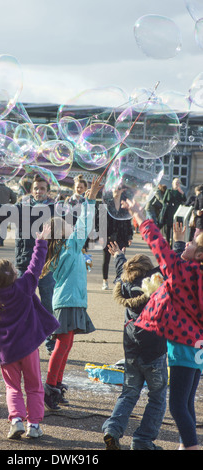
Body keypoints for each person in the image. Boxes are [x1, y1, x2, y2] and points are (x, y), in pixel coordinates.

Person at [123, 198, 203, 451]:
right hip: (199, 345)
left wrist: (141, 216)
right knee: (187, 400)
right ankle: (184, 445)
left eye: (192, 242)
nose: (187, 242)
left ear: (199, 255)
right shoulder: (196, 273)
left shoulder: (182, 271)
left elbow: (160, 246)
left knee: (177, 404)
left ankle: (191, 446)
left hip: (182, 346)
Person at [0, 225, 59, 440]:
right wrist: (41, 241)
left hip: (6, 354)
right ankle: (34, 425)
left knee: (13, 388)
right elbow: (36, 266)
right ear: (15, 274)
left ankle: (16, 420)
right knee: (35, 387)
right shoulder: (25, 286)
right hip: (28, 349)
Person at [41, 174, 104, 410]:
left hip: (72, 300)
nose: (72, 226)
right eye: (68, 226)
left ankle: (56, 385)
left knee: (66, 346)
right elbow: (84, 225)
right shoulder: (69, 247)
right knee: (61, 346)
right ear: (62, 234)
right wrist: (91, 201)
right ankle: (50, 387)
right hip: (68, 302)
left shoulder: (66, 249)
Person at [0, 173, 57, 354]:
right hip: (24, 264)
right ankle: (24, 341)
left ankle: (50, 344)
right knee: (21, 305)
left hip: (46, 265)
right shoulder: (22, 207)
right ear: (31, 190)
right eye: (36, 188)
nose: (38, 192)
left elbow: (72, 224)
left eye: (42, 188)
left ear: (48, 191)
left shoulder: (54, 209)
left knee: (47, 305)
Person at [102, 243, 168, 450]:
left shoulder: (124, 286)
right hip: (155, 354)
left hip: (131, 354)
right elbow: (166, 267)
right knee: (157, 398)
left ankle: (112, 429)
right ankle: (142, 440)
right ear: (149, 274)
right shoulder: (155, 289)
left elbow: (123, 272)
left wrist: (120, 256)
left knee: (129, 394)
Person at [101, 187, 133, 290]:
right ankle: (105, 281)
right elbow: (100, 221)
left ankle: (120, 281)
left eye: (118, 189)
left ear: (121, 191)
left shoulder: (124, 205)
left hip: (121, 235)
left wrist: (129, 236)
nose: (116, 190)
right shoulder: (106, 204)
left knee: (121, 258)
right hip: (108, 235)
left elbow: (128, 221)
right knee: (106, 259)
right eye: (114, 188)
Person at [0, 178, 17, 246]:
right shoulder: (8, 189)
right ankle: (1, 241)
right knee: (3, 226)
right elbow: (14, 198)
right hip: (5, 209)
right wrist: (9, 203)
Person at [160, 178, 186, 246]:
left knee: (175, 227)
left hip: (177, 210)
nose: (177, 184)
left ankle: (174, 242)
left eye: (178, 183)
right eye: (176, 182)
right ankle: (168, 243)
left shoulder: (180, 192)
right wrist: (167, 205)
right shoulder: (169, 191)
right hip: (169, 210)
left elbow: (184, 200)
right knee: (168, 227)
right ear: (173, 183)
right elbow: (164, 201)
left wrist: (182, 193)